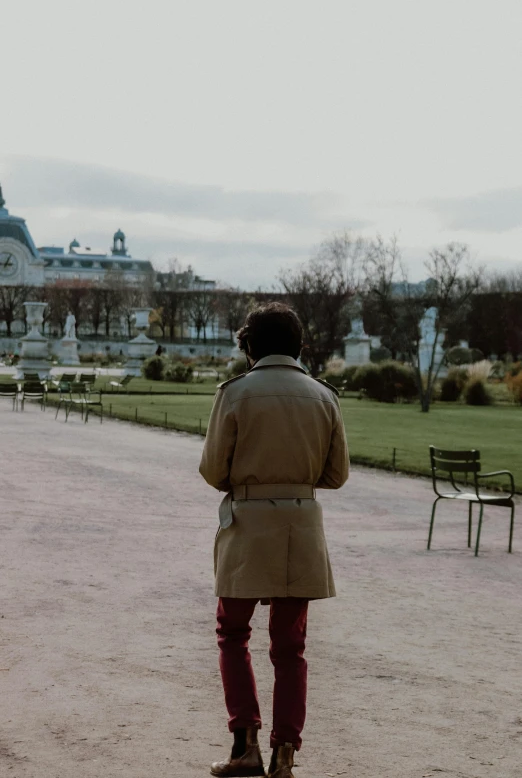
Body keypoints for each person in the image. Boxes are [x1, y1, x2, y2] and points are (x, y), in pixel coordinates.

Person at [199, 302, 349, 778]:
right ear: (299, 345)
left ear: (250, 346)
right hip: (300, 526)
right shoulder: (324, 396)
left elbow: (212, 470)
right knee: (290, 648)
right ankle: (285, 753)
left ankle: (246, 744)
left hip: (247, 523)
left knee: (232, 634)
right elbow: (337, 473)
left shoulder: (236, 393)